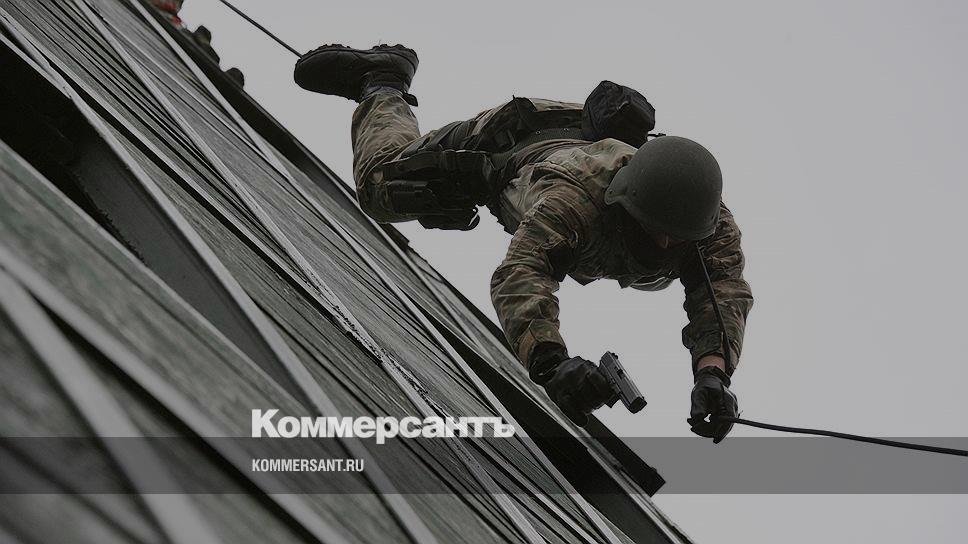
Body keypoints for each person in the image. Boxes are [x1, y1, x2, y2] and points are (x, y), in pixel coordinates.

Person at [294, 44, 753, 442]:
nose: (667, 241)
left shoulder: (709, 224)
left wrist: (712, 374)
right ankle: (382, 78)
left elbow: (723, 294)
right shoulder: (574, 200)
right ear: (626, 204)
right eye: (656, 228)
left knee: (689, 273)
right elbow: (522, 273)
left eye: (678, 236)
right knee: (380, 188)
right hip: (510, 139)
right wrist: (552, 362)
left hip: (590, 142)